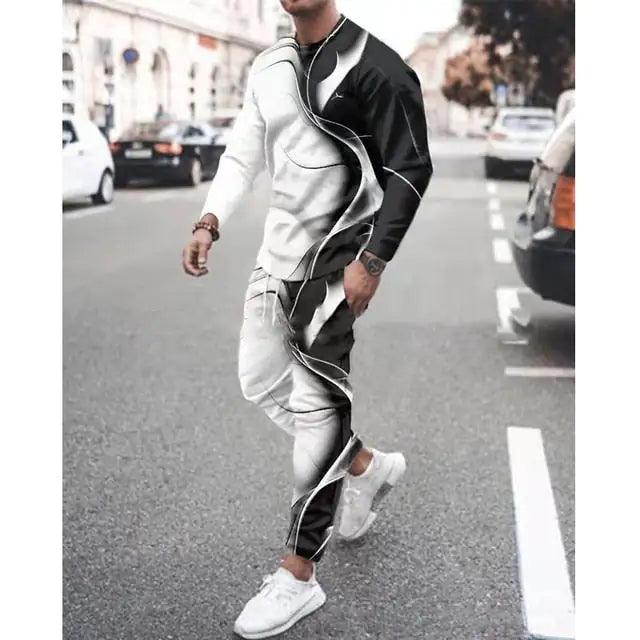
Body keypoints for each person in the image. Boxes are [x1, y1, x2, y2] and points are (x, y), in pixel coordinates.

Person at [182, 0, 432, 636]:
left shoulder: (379, 68)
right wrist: (210, 220)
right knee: (258, 381)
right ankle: (365, 466)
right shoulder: (269, 64)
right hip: (275, 261)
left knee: (318, 404)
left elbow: (410, 168)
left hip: (339, 260)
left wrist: (373, 261)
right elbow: (242, 156)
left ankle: (298, 574)